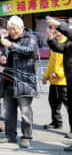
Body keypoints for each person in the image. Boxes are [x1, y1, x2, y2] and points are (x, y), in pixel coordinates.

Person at [0, 15, 38, 148]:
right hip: (8, 80)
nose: (12, 31)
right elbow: (3, 56)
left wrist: (11, 45)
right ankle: (10, 135)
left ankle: (26, 136)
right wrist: (1, 59)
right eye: (10, 29)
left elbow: (29, 51)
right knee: (9, 111)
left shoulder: (30, 37)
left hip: (24, 81)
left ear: (22, 28)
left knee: (25, 111)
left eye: (15, 29)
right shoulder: (7, 39)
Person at [46, 17, 72, 152]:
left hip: (64, 80)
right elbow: (57, 48)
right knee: (55, 103)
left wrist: (57, 24)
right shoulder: (68, 43)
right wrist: (50, 38)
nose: (69, 26)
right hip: (68, 80)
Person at [43, 25, 68, 130]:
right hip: (54, 81)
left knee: (68, 105)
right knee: (53, 102)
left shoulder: (68, 43)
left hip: (64, 81)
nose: (54, 31)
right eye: (53, 30)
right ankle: (56, 122)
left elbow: (69, 63)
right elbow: (51, 63)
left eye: (56, 30)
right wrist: (46, 76)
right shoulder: (54, 45)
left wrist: (58, 73)